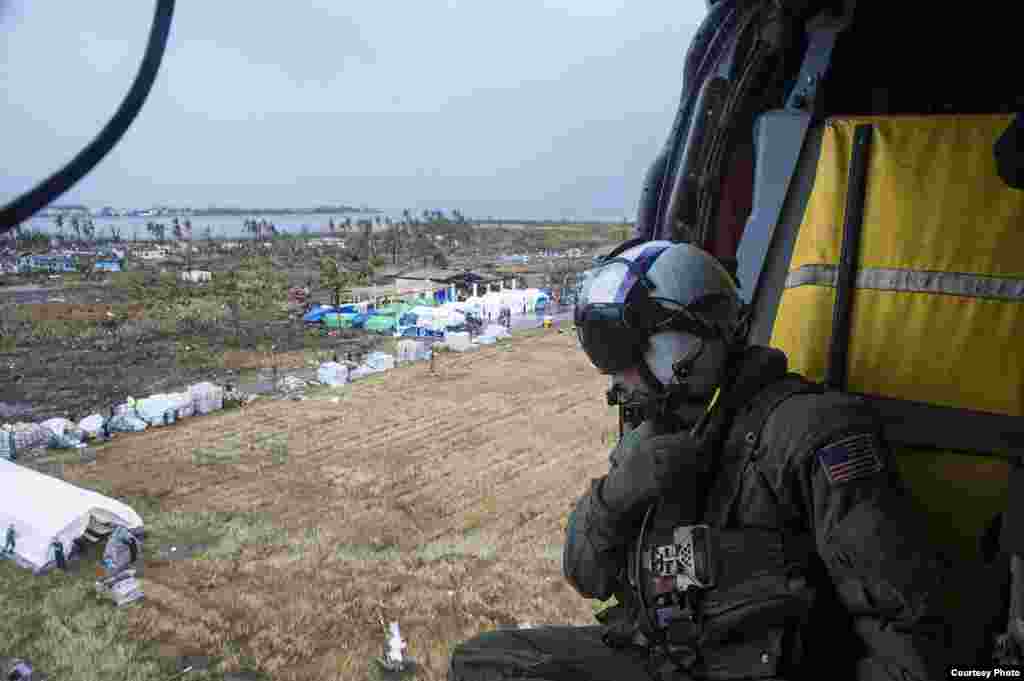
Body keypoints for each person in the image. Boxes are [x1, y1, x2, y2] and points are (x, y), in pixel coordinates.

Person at [448, 241, 949, 680]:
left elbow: (902, 621)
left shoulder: (809, 433)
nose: (614, 376)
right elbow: (586, 575)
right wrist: (616, 496)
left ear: (681, 345)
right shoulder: (650, 436)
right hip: (664, 658)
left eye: (619, 350)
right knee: (484, 665)